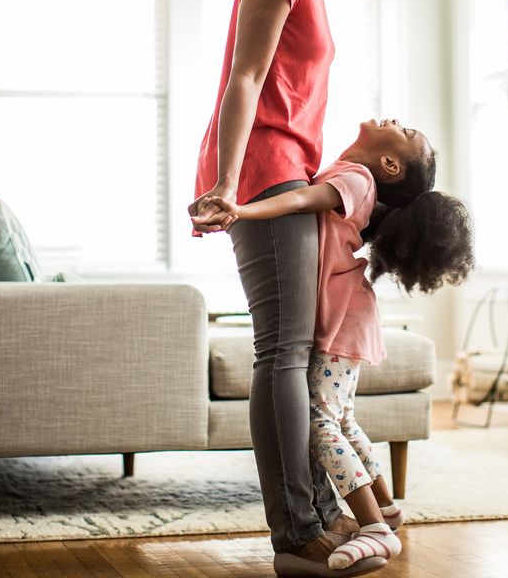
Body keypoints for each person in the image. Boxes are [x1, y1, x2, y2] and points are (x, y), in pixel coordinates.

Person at [188, 0, 424, 576]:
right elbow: (246, 77)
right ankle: (295, 529)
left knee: (292, 354)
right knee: (284, 356)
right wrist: (230, 184)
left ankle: (315, 514)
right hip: (262, 175)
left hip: (282, 172)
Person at [194, 118, 475, 571]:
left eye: (405, 133)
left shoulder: (356, 178)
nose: (395, 122)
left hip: (343, 319)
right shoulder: (355, 175)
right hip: (350, 316)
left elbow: (303, 199)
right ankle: (385, 506)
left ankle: (374, 529)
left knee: (321, 422)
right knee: (340, 417)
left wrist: (241, 209)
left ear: (388, 164)